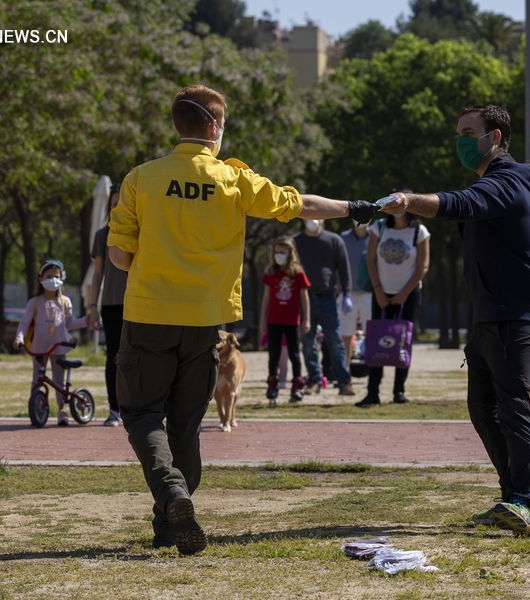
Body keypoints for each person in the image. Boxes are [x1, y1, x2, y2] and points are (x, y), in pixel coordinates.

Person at [106, 84, 377, 556]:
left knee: (142, 413)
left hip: (149, 314)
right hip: (207, 322)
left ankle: (171, 494)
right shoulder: (234, 179)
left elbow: (118, 255)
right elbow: (300, 205)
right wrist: (355, 208)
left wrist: (159, 264)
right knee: (186, 426)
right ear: (214, 127)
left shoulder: (141, 179)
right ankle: (169, 521)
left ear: (178, 126)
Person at [379, 105, 530, 537]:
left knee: (512, 407)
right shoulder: (490, 183)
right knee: (482, 408)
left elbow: (459, 203)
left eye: (468, 132)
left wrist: (411, 200)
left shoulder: (507, 181)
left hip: (514, 315)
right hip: (489, 316)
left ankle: (528, 503)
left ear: (494, 138)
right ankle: (512, 494)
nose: (460, 140)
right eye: (458, 132)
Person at [355, 205, 430, 407]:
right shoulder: (379, 228)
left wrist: (403, 294)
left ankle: (399, 391)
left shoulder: (419, 231)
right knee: (376, 340)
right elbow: (370, 260)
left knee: (403, 341)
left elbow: (423, 266)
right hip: (381, 293)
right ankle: (373, 392)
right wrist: (378, 290)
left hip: (409, 295)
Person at [13, 259, 90, 426]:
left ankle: (62, 411)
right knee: (37, 379)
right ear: (41, 278)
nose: (53, 280)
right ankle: (37, 407)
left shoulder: (65, 302)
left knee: (59, 381)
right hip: (39, 348)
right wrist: (19, 338)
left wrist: (85, 321)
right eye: (48, 276)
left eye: (56, 276)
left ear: (62, 278)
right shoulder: (34, 302)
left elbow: (69, 323)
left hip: (59, 346)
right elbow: (24, 323)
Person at [294, 220, 356, 396]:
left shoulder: (334, 240)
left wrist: (347, 294)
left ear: (323, 219)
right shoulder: (296, 241)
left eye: (317, 216)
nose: (313, 219)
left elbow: (344, 269)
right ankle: (314, 380)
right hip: (304, 297)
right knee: (308, 341)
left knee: (335, 340)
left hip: (328, 296)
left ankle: (344, 381)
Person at [88, 184, 128, 427]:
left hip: (139, 303)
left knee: (139, 358)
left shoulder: (140, 232)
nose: (116, 208)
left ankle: (137, 409)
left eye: (120, 204)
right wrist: (92, 305)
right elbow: (98, 273)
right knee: (113, 357)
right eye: (113, 204)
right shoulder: (102, 235)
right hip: (111, 304)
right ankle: (114, 409)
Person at [259, 236, 310, 404]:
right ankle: (272, 385)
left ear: (290, 253)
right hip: (274, 320)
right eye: (277, 252)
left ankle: (297, 386)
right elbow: (266, 297)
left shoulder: (298, 272)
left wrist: (306, 319)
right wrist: (262, 320)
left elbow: (304, 297)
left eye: (283, 252)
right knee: (273, 354)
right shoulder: (270, 272)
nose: (279, 255)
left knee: (294, 354)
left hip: (292, 321)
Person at [339, 221, 373, 365]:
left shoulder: (376, 237)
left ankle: (374, 372)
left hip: (370, 293)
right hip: (347, 294)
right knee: (346, 334)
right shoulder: (342, 238)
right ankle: (345, 373)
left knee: (372, 333)